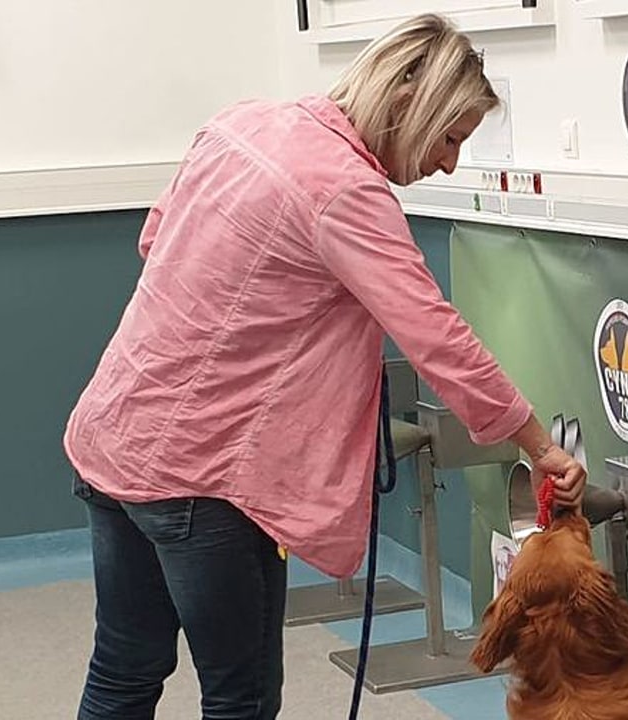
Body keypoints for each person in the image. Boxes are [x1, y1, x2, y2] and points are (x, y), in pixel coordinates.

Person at [63, 13, 587, 720]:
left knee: (125, 668)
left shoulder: (240, 124)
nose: (450, 163)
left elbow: (154, 240)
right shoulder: (348, 191)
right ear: (408, 104)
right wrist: (540, 446)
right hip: (203, 481)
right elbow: (438, 337)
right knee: (240, 698)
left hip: (114, 436)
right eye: (452, 137)